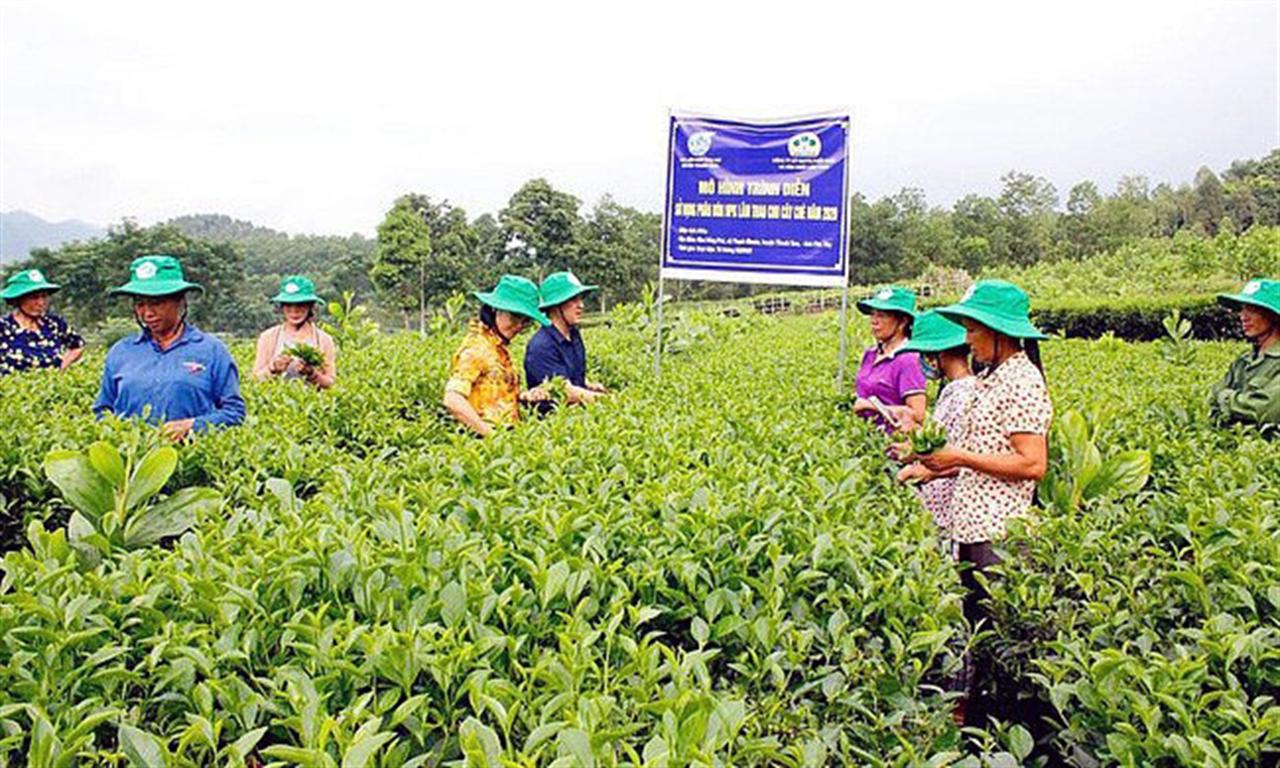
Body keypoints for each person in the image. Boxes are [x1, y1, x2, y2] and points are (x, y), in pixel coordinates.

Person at [906, 279, 1052, 726]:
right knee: (975, 633)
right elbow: (980, 454)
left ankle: (1003, 725)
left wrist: (959, 458)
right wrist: (936, 467)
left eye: (972, 328)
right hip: (970, 526)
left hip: (999, 533)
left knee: (995, 636)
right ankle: (976, 724)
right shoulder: (991, 379)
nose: (967, 338)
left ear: (997, 330)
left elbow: (1032, 464)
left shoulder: (1022, 381)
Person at [93, 255, 245, 441]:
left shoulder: (212, 351)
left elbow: (234, 413)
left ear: (179, 301)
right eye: (140, 304)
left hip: (191, 460)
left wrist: (191, 426)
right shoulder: (121, 352)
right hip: (132, 463)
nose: (148, 313)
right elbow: (103, 410)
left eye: (157, 303)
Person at [894, 310, 977, 548]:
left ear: (938, 354)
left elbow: (965, 457)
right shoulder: (952, 390)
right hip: (941, 505)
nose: (923, 360)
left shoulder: (963, 394)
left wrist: (928, 471)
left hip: (951, 508)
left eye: (925, 353)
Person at [443, 275, 551, 437]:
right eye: (514, 317)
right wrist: (490, 435)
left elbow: (497, 397)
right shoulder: (477, 348)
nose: (519, 326)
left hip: (507, 435)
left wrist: (525, 396)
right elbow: (452, 399)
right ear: (494, 310)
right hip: (482, 442)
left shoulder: (498, 348)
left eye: (525, 321)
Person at [524, 271, 607, 405]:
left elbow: (569, 375)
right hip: (555, 421)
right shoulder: (541, 346)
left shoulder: (573, 334)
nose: (581, 305)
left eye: (580, 299)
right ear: (556, 306)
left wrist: (588, 385)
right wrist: (609, 401)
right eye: (573, 300)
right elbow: (565, 391)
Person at [852, 285, 926, 432]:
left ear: (903, 321)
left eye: (882, 315)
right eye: (873, 314)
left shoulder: (908, 360)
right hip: (862, 437)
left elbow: (918, 415)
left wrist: (871, 406)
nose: (874, 320)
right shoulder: (870, 354)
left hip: (892, 444)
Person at [1210, 278, 1280, 428]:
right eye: (1243, 309)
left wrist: (1225, 398)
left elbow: (1266, 410)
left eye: (1253, 310)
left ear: (1274, 315)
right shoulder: (1243, 361)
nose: (1243, 316)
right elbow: (1212, 399)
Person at [253, 275, 337, 389]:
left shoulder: (324, 340)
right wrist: (273, 368)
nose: (294, 311)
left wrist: (312, 374)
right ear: (282, 307)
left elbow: (330, 383)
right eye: (288, 305)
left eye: (300, 305)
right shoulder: (268, 338)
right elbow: (255, 379)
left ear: (310, 306)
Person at [0, 268, 85, 376]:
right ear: (18, 299)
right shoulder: (3, 327)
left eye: (44, 296)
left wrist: (62, 367)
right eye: (34, 297)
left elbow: (78, 345)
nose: (41, 302)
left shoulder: (55, 324)